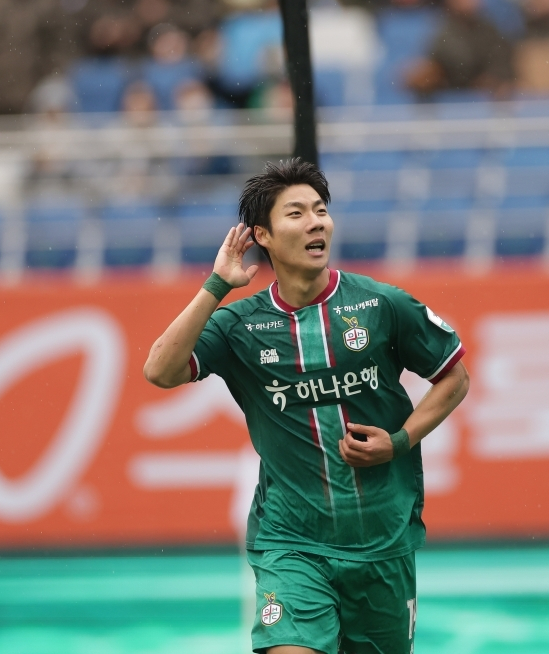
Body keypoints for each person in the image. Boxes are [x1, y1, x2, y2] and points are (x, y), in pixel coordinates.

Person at [143, 158, 470, 654]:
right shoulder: (240, 325)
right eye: (296, 213)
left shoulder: (381, 305)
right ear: (263, 235)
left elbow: (454, 378)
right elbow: (160, 371)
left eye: (321, 210)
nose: (316, 222)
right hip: (291, 543)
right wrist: (216, 286)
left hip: (382, 542)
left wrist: (399, 441)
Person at [405, 0, 513, 97]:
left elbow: (501, 65)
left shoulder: (490, 30)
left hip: (487, 98)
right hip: (451, 96)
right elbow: (438, 66)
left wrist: (492, 80)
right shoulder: (442, 31)